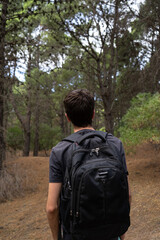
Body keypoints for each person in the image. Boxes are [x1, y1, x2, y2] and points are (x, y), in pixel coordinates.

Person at [46, 89, 131, 240]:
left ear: (67, 117)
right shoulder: (114, 144)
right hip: (111, 234)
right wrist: (119, 232)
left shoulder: (59, 151)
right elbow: (126, 194)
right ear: (93, 114)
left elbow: (52, 208)